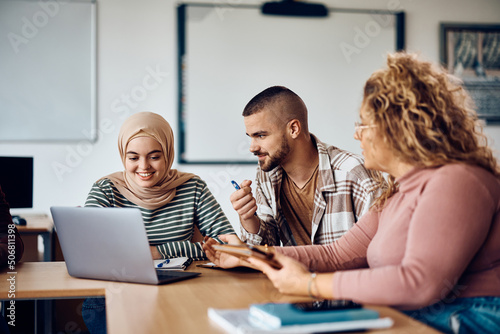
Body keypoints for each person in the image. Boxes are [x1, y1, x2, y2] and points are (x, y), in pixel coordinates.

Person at [205, 53, 500, 334]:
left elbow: (419, 283)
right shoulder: (398, 190)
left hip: (467, 315)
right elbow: (338, 254)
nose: (357, 134)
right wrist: (249, 256)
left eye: (364, 123)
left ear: (398, 127)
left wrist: (309, 285)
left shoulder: (457, 180)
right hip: (412, 314)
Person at [82, 111, 236, 334]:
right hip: (116, 295)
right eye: (133, 158)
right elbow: (89, 253)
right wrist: (189, 249)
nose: (144, 167)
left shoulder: (192, 187)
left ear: (168, 153)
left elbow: (226, 248)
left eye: (154, 156)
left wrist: (157, 252)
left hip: (179, 291)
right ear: (123, 156)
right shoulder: (106, 190)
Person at [232, 86, 385, 247]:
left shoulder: (354, 173)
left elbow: (382, 251)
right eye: (251, 137)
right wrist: (248, 218)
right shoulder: (267, 174)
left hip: (343, 273)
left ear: (294, 129)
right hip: (295, 272)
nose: (252, 147)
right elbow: (267, 248)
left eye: (261, 136)